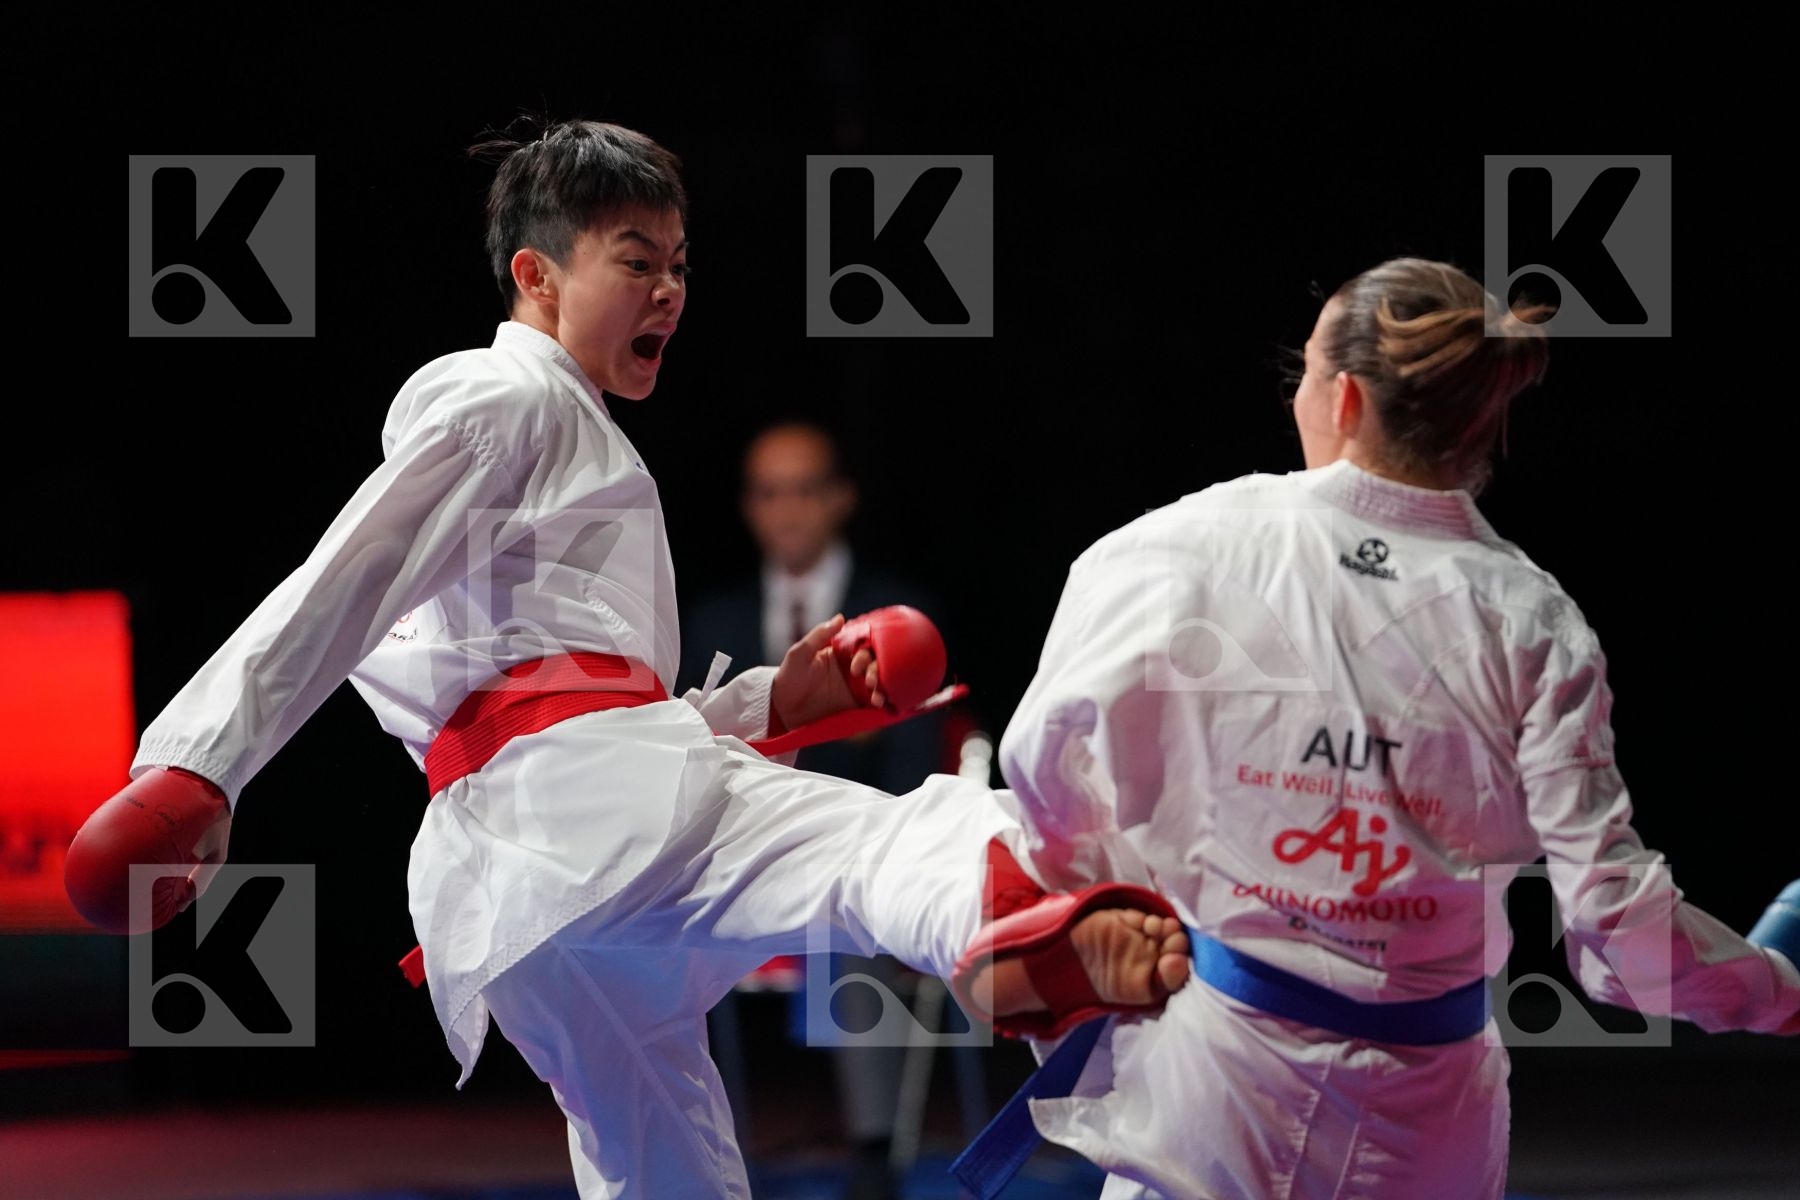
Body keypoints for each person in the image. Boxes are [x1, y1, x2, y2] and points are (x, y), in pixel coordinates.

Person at [59, 118, 1190, 1199]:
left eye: (681, 266)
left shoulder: (561, 450)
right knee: (895, 842)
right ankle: (1013, 921)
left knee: (661, 1161)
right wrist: (199, 763)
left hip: (520, 894)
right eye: (636, 260)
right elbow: (346, 580)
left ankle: (1003, 933)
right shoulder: (507, 394)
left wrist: (774, 704)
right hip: (585, 808)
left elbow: (559, 698)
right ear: (537, 276)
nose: (669, 290)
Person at [990, 258, 1800, 1199]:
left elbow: (1043, 768)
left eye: (1302, 372)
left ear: (1341, 398)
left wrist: (1116, 915)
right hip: (1427, 1125)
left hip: (1215, 1089)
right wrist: (1774, 986)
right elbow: (1616, 925)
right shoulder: (1532, 622)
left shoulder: (1174, 549)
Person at [681, 421, 949, 1200]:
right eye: (770, 493)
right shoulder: (712, 622)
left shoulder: (900, 618)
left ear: (840, 499)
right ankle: (684, 1152)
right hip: (732, 855)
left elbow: (912, 764)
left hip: (850, 847)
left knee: (845, 895)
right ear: (749, 507)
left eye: (804, 490)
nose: (788, 510)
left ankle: (875, 1154)